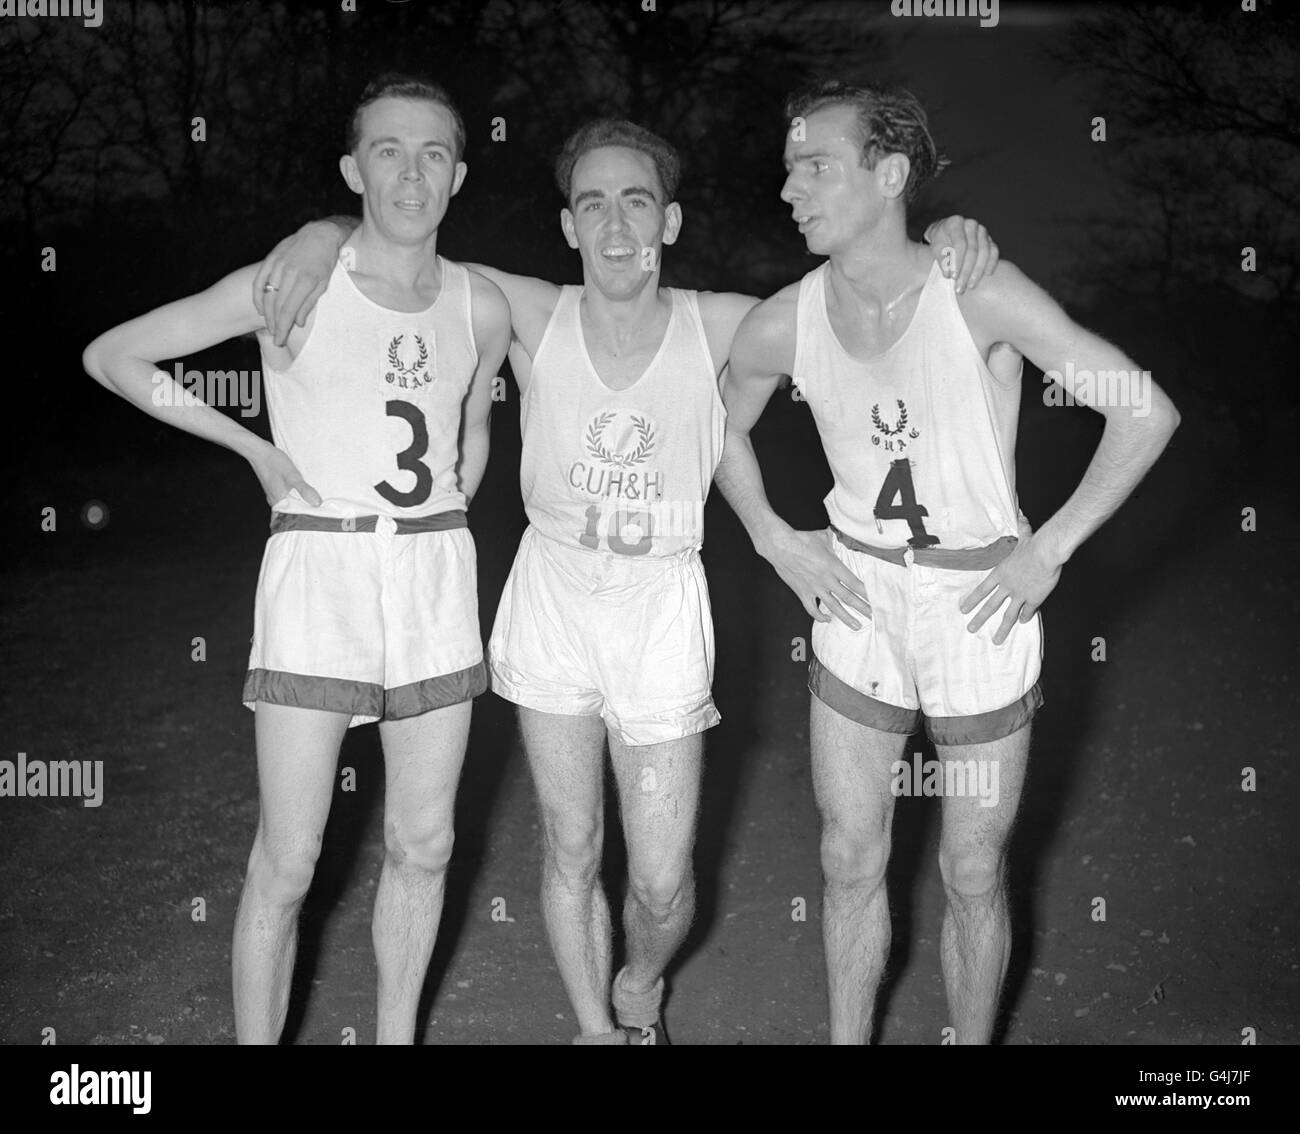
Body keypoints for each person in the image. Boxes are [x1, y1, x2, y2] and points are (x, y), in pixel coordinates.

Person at [255, 117, 996, 1044]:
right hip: (554, 598)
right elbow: (400, 245)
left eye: (636, 202)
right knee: (570, 844)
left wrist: (941, 235)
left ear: (670, 222)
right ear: (569, 227)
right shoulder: (527, 309)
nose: (614, 225)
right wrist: (320, 234)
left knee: (659, 879)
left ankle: (640, 978)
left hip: (660, 610)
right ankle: (599, 1031)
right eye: (591, 203)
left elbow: (862, 283)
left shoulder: (726, 322)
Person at [716, 80, 1180, 1045]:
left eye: (815, 166)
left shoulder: (978, 289)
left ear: (888, 175)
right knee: (849, 855)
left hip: (980, 608)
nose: (791, 188)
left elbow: (1142, 410)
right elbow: (710, 426)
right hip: (856, 600)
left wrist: (1050, 547)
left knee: (973, 870)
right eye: (788, 167)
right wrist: (770, 533)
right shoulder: (783, 319)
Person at [82, 73, 511, 1044]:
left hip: (435, 578)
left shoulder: (481, 305)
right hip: (321, 573)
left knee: (425, 841)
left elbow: (474, 423)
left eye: (434, 152)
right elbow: (116, 357)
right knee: (289, 855)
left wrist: (449, 515)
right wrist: (254, 450)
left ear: (459, 172)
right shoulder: (290, 282)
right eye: (389, 151)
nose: (412, 172)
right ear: (353, 168)